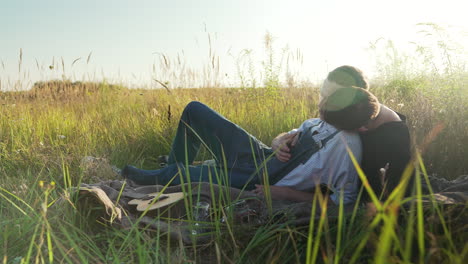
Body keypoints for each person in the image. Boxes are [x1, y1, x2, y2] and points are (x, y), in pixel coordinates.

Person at [122, 88, 380, 205]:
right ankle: (171, 166)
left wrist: (287, 195)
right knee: (194, 110)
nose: (321, 121)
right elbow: (286, 134)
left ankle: (161, 177)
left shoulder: (348, 149)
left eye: (328, 120)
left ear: (359, 128)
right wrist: (279, 142)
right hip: (260, 154)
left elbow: (343, 202)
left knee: (181, 175)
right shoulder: (327, 117)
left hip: (259, 178)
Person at [273, 65, 412, 200]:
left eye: (330, 99)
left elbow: (366, 197)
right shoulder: (348, 113)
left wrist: (288, 194)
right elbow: (304, 131)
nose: (320, 104)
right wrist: (279, 140)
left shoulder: (390, 138)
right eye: (322, 94)